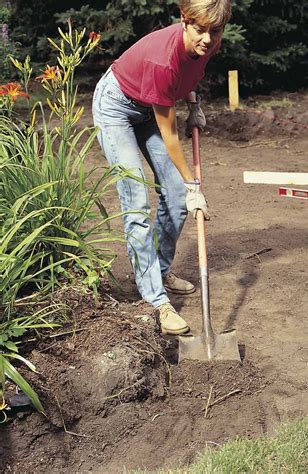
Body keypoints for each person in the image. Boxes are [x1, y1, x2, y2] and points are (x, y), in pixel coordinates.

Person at [92, 0, 232, 335]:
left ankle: (161, 269)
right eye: (199, 29)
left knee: (174, 196)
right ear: (184, 21)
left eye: (214, 31)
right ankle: (156, 302)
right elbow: (169, 132)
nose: (208, 39)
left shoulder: (210, 40)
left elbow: (190, 71)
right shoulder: (161, 60)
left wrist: (194, 102)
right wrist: (193, 184)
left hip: (149, 104)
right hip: (116, 107)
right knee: (137, 201)